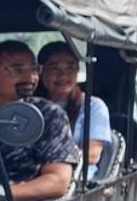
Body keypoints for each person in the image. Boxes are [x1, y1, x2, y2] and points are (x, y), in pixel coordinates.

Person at [0, 40, 79, 201]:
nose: (30, 78)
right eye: (18, 70)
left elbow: (58, 180)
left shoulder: (48, 115)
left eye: (34, 69)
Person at [36, 42, 111, 180]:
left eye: (70, 68)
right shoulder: (32, 105)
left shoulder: (93, 106)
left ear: (77, 70)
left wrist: (53, 160)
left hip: (75, 180)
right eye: (54, 68)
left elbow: (92, 155)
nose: (63, 75)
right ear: (41, 71)